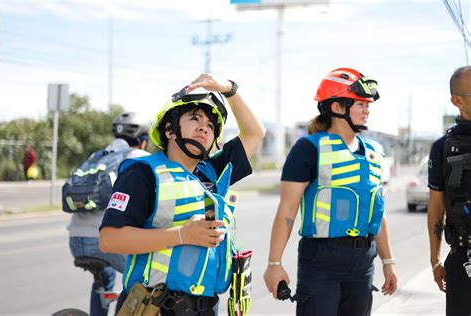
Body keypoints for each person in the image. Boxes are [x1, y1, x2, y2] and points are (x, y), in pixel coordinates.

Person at [99, 73, 265, 315]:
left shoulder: (212, 172)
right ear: (169, 129)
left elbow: (254, 133)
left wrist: (229, 89)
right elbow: (110, 240)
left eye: (210, 125)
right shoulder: (142, 173)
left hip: (205, 307)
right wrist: (181, 235)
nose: (203, 128)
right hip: (155, 306)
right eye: (195, 118)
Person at [263, 67, 397, 316]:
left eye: (368, 104)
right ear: (337, 107)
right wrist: (274, 263)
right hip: (321, 261)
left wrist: (388, 262)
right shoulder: (308, 148)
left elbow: (377, 213)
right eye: (360, 103)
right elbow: (287, 209)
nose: (367, 109)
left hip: (363, 262)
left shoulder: (374, 152)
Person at [67, 112, 151, 316]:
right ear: (143, 141)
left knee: (104, 277)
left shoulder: (96, 156)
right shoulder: (138, 157)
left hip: (76, 240)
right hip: (106, 240)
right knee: (143, 277)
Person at [427, 66, 471, 316]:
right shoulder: (442, 147)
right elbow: (436, 206)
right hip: (462, 258)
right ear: (457, 101)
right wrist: (435, 260)